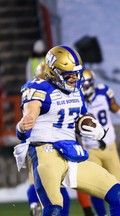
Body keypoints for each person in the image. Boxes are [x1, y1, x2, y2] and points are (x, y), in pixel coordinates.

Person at [13, 45, 120, 216]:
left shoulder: (76, 89)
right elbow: (30, 115)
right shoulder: (38, 89)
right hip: (46, 153)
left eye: (77, 73)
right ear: (53, 72)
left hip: (70, 152)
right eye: (69, 74)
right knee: (54, 208)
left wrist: (88, 123)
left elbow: (81, 116)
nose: (74, 78)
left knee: (118, 194)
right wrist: (23, 125)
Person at [76, 68, 120, 216]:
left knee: (118, 189)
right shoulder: (77, 99)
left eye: (85, 85)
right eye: (81, 85)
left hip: (109, 148)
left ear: (92, 84)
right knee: (95, 186)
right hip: (91, 150)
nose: (83, 89)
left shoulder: (103, 93)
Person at [25, 61, 71, 216]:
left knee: (38, 183)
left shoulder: (34, 93)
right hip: (51, 144)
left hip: (41, 144)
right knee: (58, 186)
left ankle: (34, 204)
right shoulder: (52, 93)